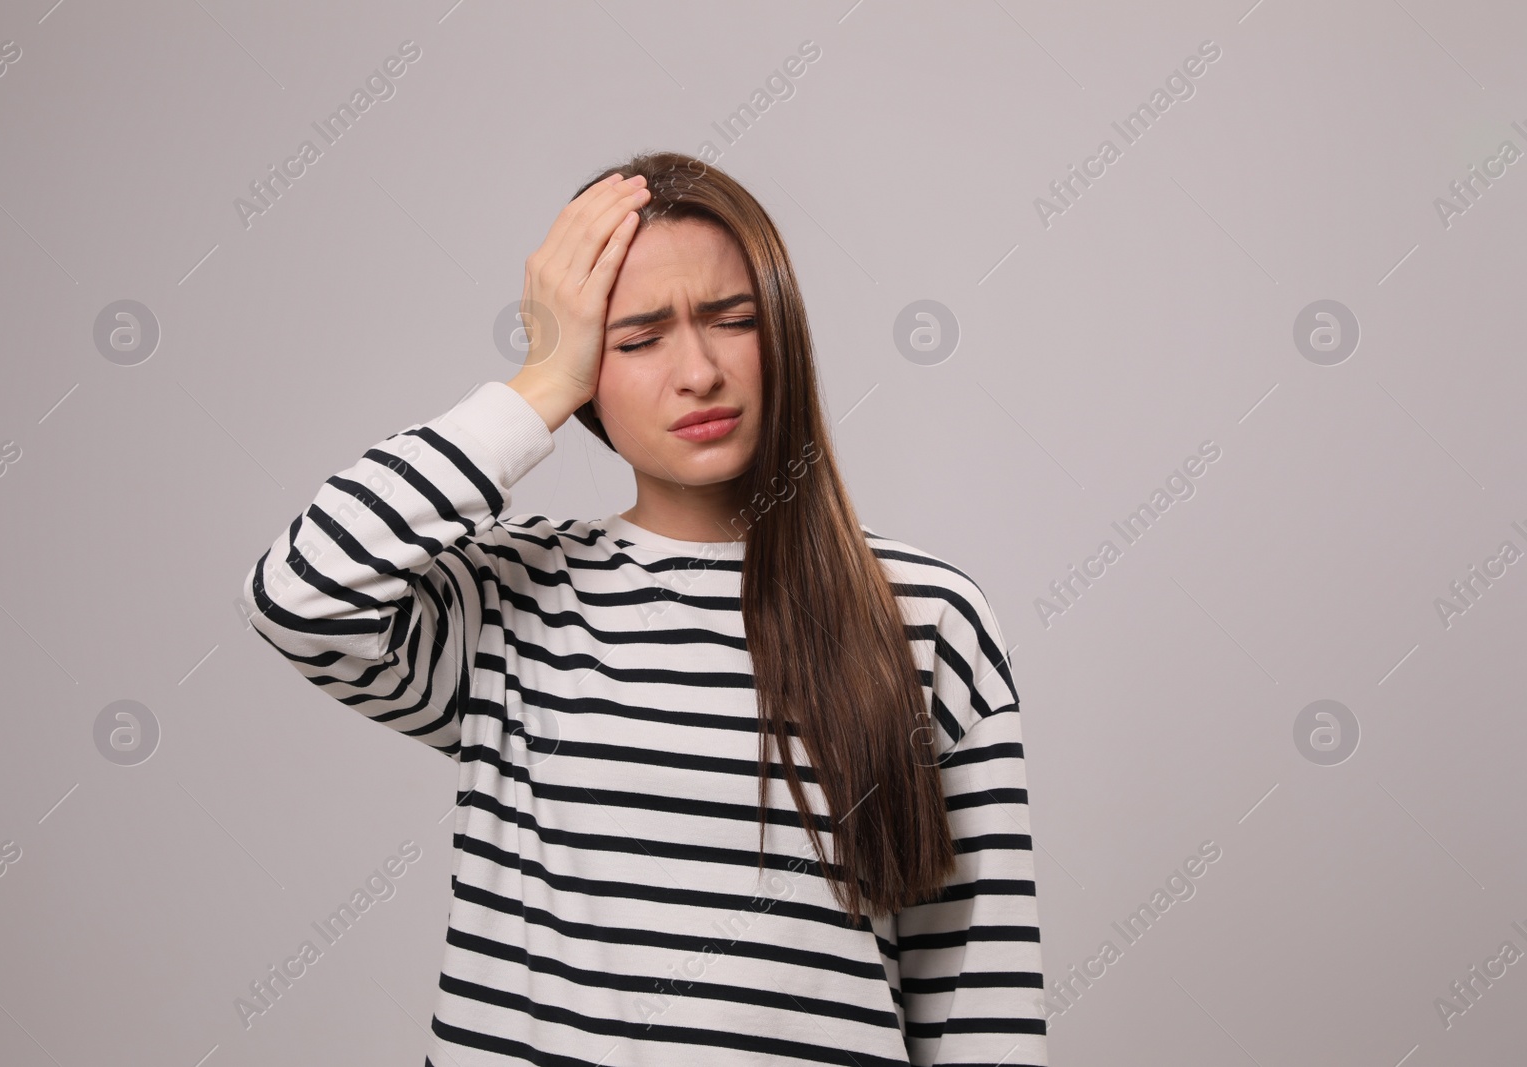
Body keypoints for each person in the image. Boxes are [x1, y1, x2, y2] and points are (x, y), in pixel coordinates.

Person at [239, 151, 1048, 1067]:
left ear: (783, 334)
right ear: (588, 381)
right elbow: (300, 593)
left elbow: (981, 1006)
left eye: (733, 319)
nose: (698, 371)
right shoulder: (512, 598)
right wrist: (537, 383)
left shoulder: (928, 619)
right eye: (636, 339)